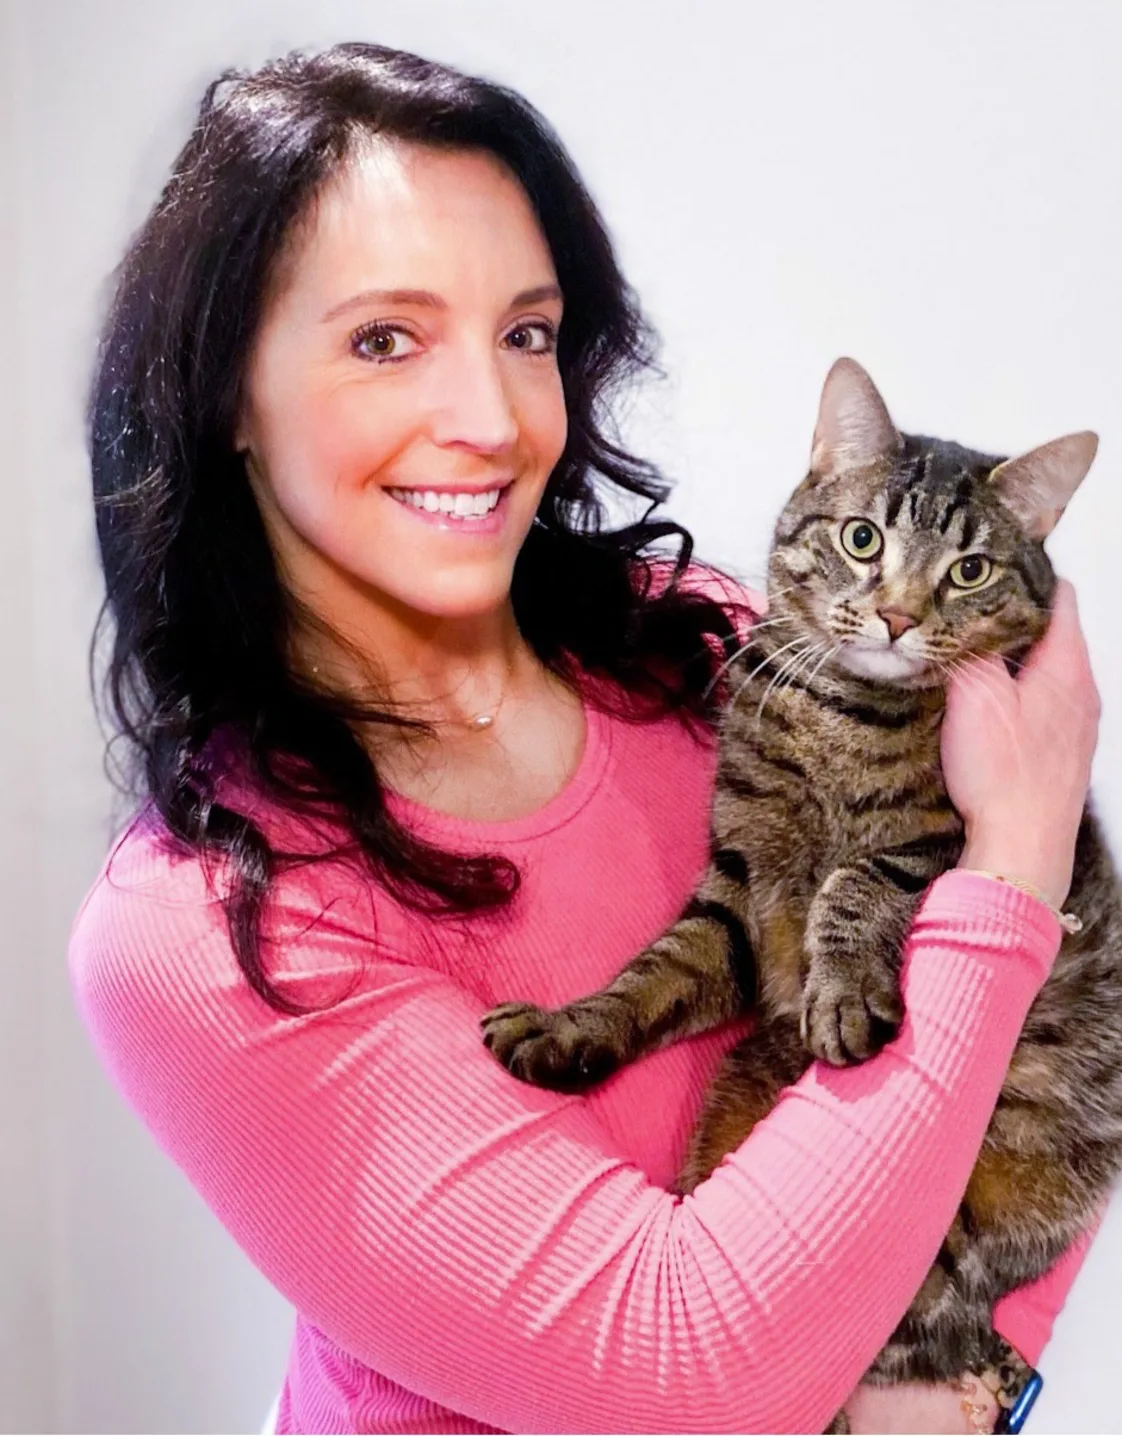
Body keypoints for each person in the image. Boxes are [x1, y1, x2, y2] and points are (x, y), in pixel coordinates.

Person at [68, 42, 1102, 1435]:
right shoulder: (199, 931)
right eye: (385, 338)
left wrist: (966, 1382)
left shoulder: (705, 650)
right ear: (225, 392)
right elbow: (682, 1376)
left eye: (527, 333)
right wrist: (1016, 854)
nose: (492, 419)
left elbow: (1042, 1042)